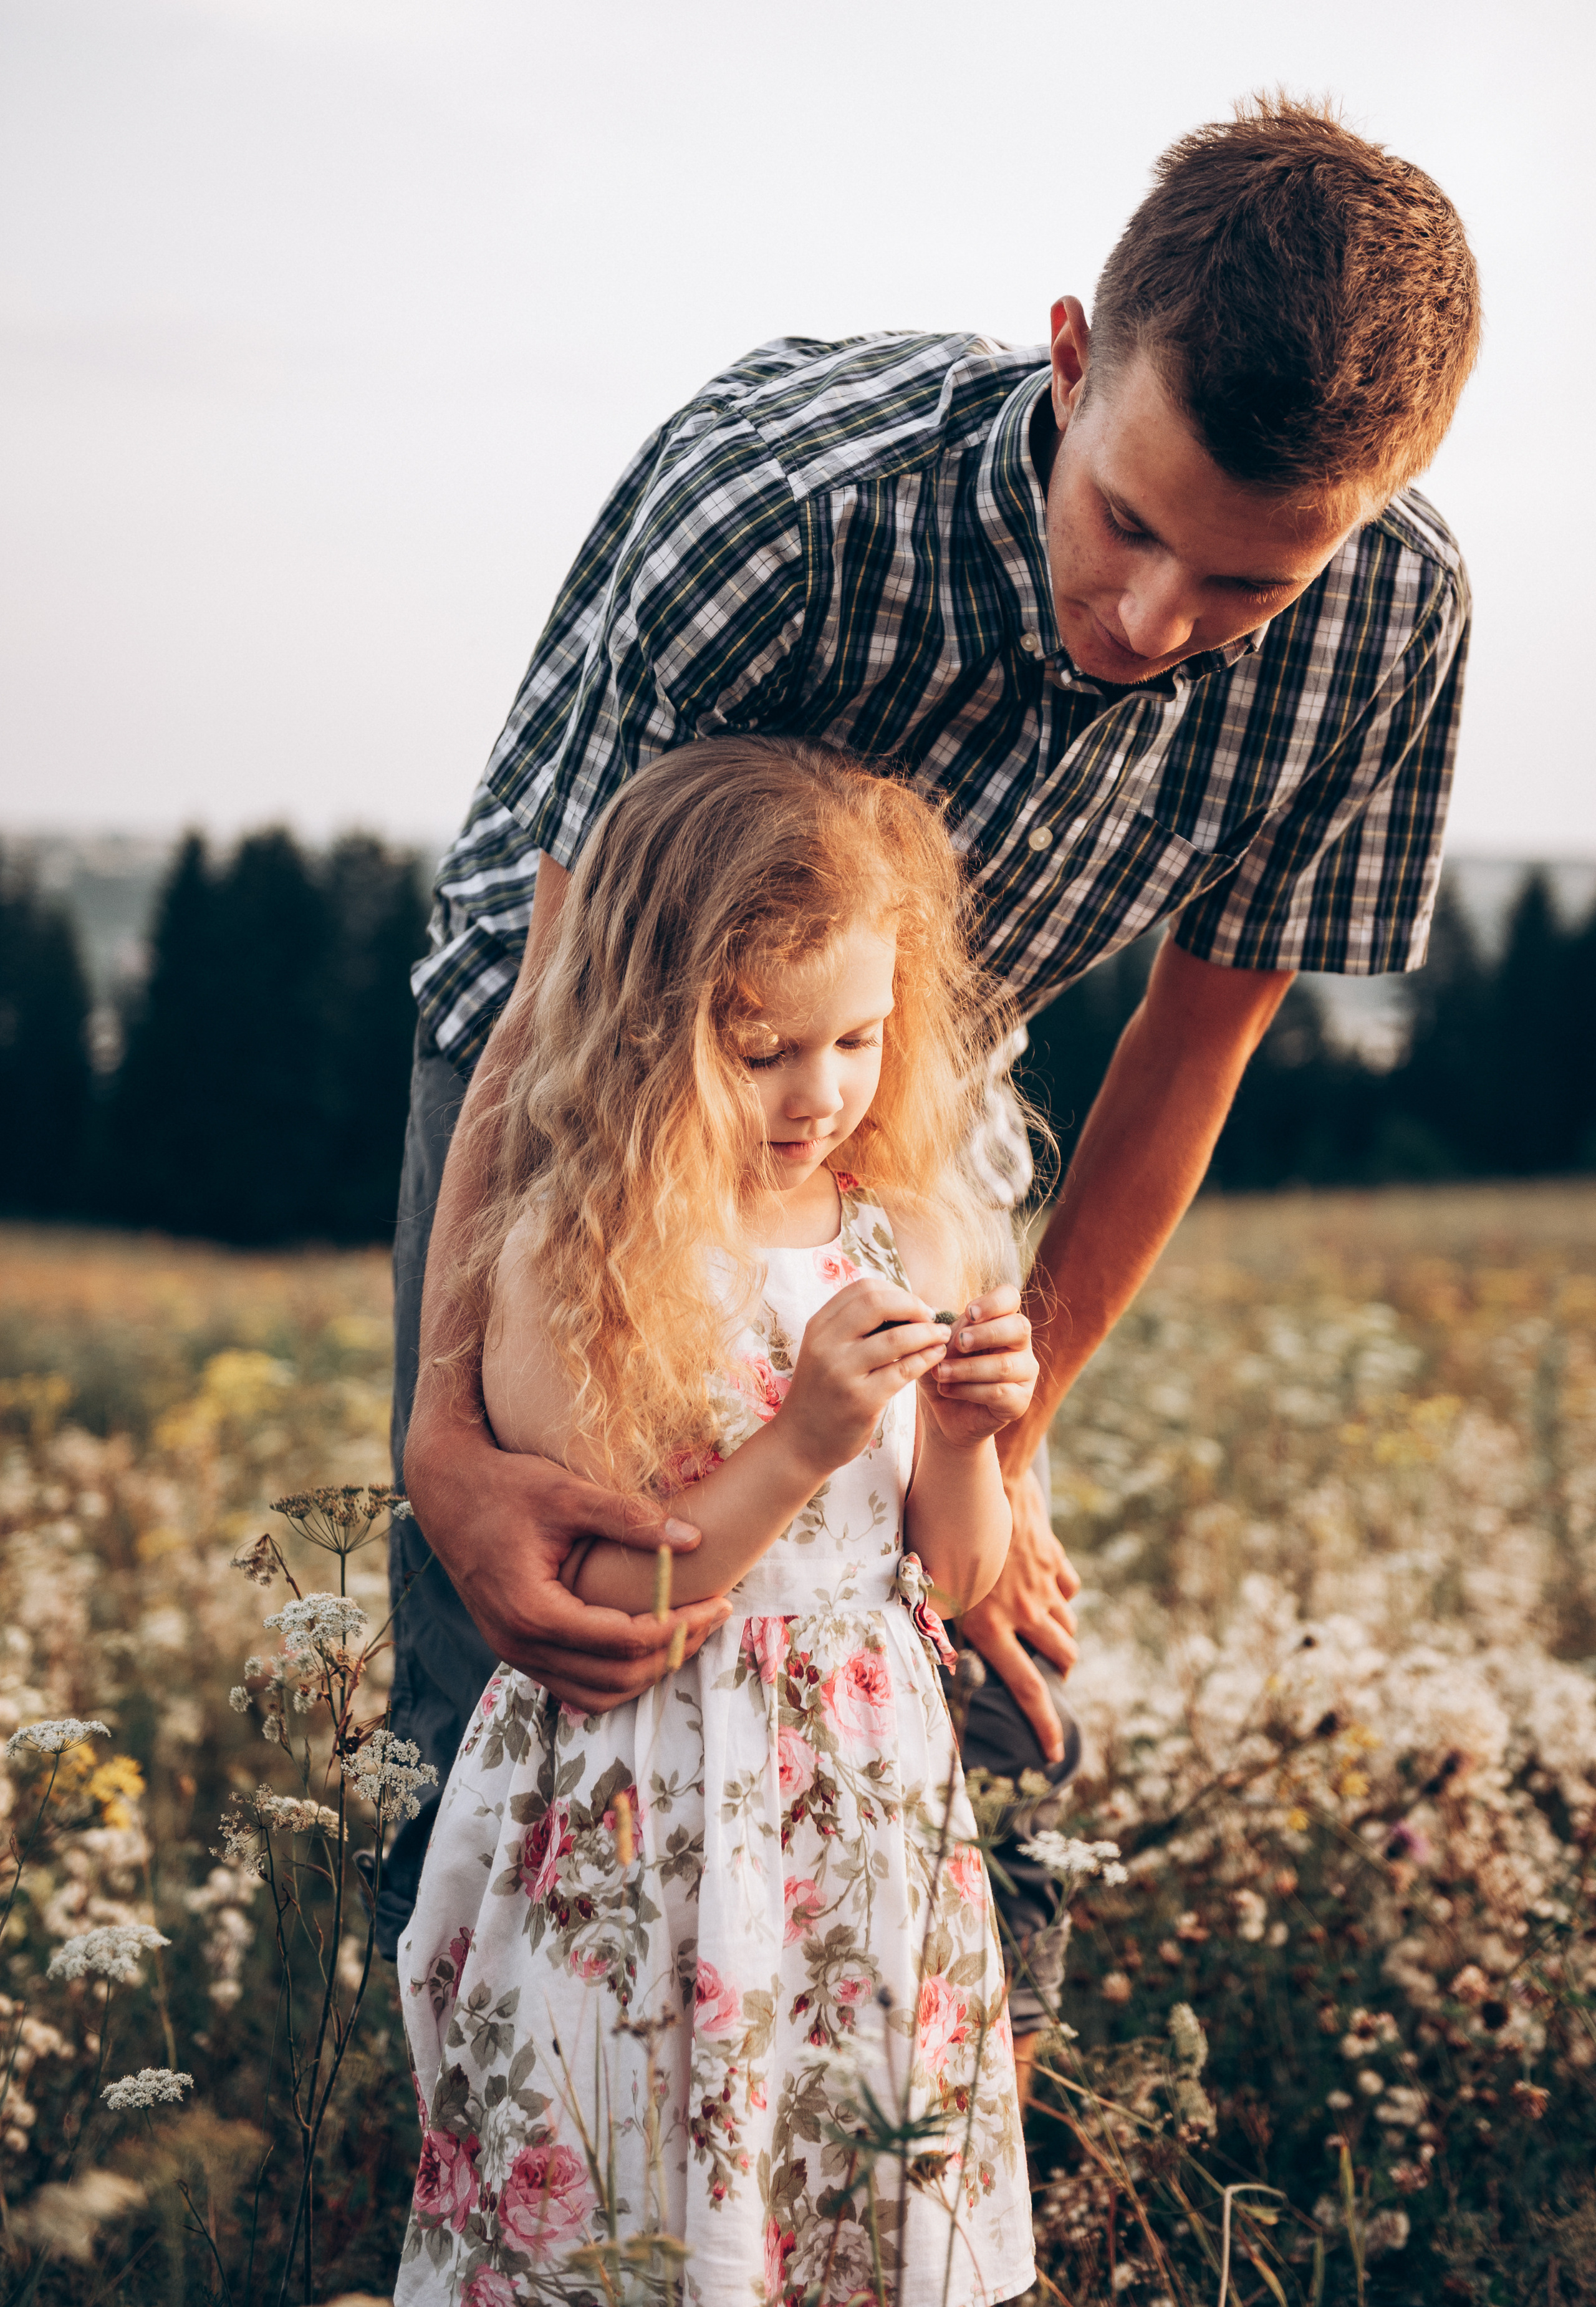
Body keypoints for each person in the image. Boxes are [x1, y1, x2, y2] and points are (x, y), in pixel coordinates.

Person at [383, 95, 1482, 2088]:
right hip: (575, 1052)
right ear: (1070, 358)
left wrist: (1008, 1411)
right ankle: (520, 2166)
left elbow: (1190, 1047)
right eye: (1129, 521)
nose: (1157, 625)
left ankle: (896, 2149)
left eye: (1250, 584)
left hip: (908, 1089)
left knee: (960, 1646)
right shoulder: (782, 506)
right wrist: (445, 1440)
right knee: (545, 1625)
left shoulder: (1401, 624)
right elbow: (562, 999)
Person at [397, 740, 1039, 2306]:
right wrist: (802, 1438)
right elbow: (605, 1593)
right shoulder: (581, 1252)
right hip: (650, 1806)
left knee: (839, 2187)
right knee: (625, 2196)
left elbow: (945, 1582)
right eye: (760, 1049)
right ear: (641, 1029)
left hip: (859, 1813)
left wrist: (964, 1439)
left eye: (860, 1038)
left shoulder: (898, 1228)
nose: (820, 1093)